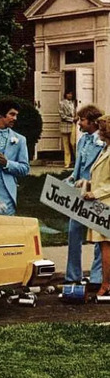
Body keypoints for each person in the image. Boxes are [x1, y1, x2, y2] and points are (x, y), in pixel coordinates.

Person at [65, 104, 104, 285]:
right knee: (74, 233)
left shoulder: (104, 142)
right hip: (79, 195)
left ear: (92, 122)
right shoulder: (82, 140)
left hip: (97, 195)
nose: (78, 123)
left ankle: (97, 277)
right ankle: (73, 276)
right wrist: (72, 178)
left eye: (81, 119)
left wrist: (91, 186)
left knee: (98, 238)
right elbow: (79, 166)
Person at [82, 115, 110, 296]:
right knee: (103, 247)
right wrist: (87, 183)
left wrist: (95, 193)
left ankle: (106, 284)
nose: (98, 131)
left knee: (106, 246)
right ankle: (106, 283)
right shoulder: (105, 150)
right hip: (100, 206)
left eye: (101, 128)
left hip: (106, 205)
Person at [59, 91, 76, 168]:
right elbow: (62, 115)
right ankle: (67, 162)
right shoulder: (62, 103)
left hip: (73, 125)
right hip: (65, 124)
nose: (70, 95)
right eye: (68, 94)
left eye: (71, 94)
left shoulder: (74, 103)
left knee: (73, 143)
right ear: (65, 94)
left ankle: (77, 160)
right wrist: (72, 119)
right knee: (66, 145)